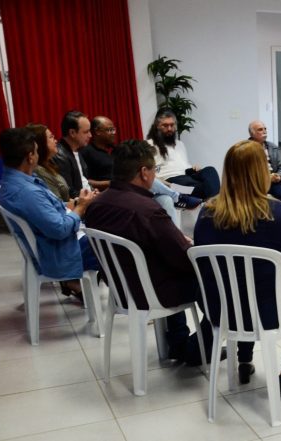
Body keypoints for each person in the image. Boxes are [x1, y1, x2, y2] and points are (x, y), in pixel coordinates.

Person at [194, 140, 281, 397]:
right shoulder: (277, 213)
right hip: (269, 312)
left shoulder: (207, 213)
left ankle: (244, 360)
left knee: (238, 288)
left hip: (220, 311)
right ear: (260, 172)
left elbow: (204, 266)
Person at [84, 139, 215, 365]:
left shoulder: (96, 205)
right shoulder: (147, 210)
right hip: (151, 291)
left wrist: (174, 239)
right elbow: (182, 259)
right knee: (219, 281)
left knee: (170, 262)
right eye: (155, 169)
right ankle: (197, 350)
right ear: (144, 172)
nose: (156, 175)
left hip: (121, 287)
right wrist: (192, 247)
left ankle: (179, 342)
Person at [0, 128, 99, 299]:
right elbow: (59, 229)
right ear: (30, 157)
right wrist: (81, 207)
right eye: (36, 151)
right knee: (121, 243)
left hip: (57, 244)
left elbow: (49, 209)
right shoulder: (27, 192)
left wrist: (77, 202)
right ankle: (130, 300)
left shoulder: (14, 180)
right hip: (61, 252)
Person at [80, 116, 202, 214]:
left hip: (157, 183)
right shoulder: (86, 152)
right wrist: (112, 183)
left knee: (166, 199)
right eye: (109, 130)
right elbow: (86, 181)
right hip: (124, 189)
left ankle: (179, 196)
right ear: (97, 132)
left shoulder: (113, 152)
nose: (113, 133)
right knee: (145, 176)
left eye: (114, 129)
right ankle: (179, 194)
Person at [147, 108, 220, 199]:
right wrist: (168, 186)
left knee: (210, 170)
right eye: (165, 125)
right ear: (157, 126)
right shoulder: (149, 145)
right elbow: (149, 175)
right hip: (171, 182)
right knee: (204, 188)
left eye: (172, 125)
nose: (169, 129)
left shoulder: (180, 144)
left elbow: (182, 167)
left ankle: (211, 198)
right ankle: (213, 199)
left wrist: (193, 168)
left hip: (188, 176)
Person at [52, 110, 93, 198]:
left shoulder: (77, 150)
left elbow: (84, 181)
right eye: (86, 132)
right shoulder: (60, 156)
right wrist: (91, 196)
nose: (90, 135)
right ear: (72, 133)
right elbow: (69, 192)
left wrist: (93, 191)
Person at [248, 119, 281, 205]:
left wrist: (279, 176)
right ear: (252, 133)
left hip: (272, 182)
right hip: (254, 184)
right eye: (260, 129)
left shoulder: (272, 147)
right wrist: (265, 178)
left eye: (265, 129)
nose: (264, 131)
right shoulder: (246, 149)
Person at [25, 123, 70, 203]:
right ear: (40, 144)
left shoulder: (49, 163)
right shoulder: (39, 171)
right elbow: (58, 205)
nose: (56, 141)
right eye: (51, 137)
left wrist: (78, 200)